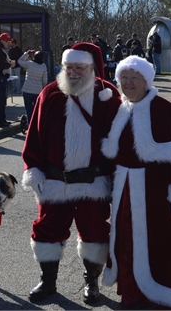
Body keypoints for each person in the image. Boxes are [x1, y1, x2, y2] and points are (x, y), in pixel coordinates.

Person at [101, 56, 171, 309]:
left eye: (134, 78)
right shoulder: (118, 107)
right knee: (126, 242)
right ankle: (130, 294)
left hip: (157, 191)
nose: (128, 83)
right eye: (123, 77)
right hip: (124, 189)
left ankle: (160, 295)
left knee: (158, 242)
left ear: (146, 81)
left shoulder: (164, 109)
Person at [22, 42, 121, 304]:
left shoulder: (108, 95)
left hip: (94, 181)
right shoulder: (50, 94)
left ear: (92, 68)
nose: (73, 72)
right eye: (69, 67)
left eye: (80, 67)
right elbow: (34, 135)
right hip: (55, 181)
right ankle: (48, 281)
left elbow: (120, 139)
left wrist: (118, 177)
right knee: (47, 230)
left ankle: (92, 282)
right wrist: (33, 168)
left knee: (95, 232)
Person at [17, 49, 48, 124]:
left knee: (28, 108)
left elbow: (19, 61)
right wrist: (42, 87)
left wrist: (27, 54)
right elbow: (45, 81)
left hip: (27, 89)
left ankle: (29, 123)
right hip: (37, 91)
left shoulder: (30, 64)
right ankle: (35, 122)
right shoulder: (43, 66)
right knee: (36, 108)